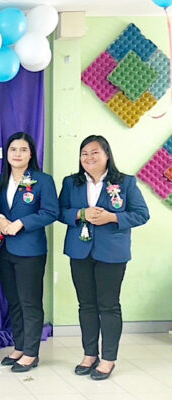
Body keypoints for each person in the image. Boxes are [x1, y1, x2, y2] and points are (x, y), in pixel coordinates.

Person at [58, 135, 149, 380]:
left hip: (112, 253)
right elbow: (60, 212)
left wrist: (113, 217)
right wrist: (80, 214)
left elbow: (142, 214)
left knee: (109, 305)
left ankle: (108, 358)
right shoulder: (71, 182)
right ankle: (90, 355)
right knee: (86, 305)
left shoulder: (125, 182)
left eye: (95, 152)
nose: (89, 157)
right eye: (84, 153)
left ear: (107, 154)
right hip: (79, 251)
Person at [0, 133, 59, 372]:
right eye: (13, 149)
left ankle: (31, 353)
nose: (17, 154)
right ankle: (19, 347)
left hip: (30, 250)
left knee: (30, 302)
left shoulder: (43, 180)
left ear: (31, 154)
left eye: (23, 149)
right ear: (6, 153)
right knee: (14, 302)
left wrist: (22, 223)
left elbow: (51, 212)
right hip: (3, 249)